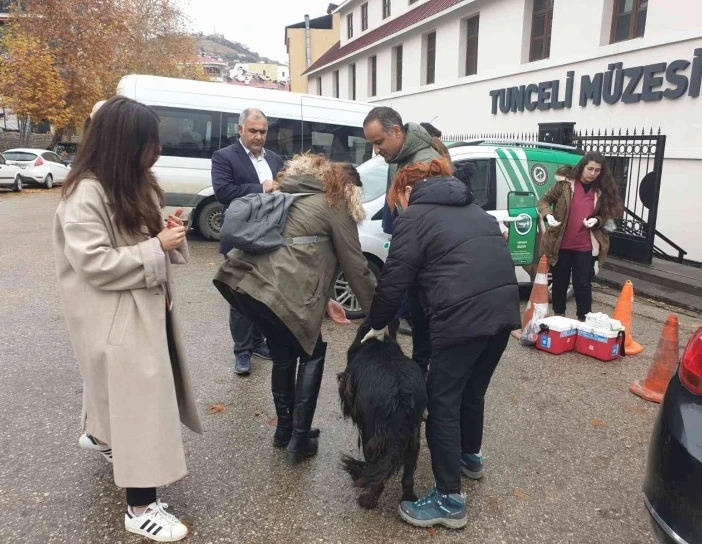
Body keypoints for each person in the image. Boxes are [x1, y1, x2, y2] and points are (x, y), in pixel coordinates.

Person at [53, 96, 202, 542]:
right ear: (123, 143)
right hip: (114, 316)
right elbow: (93, 262)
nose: (154, 149)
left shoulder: (130, 180)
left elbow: (142, 239)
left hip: (138, 308)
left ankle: (101, 436)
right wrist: (157, 246)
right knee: (141, 405)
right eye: (147, 141)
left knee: (124, 398)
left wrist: (166, 233)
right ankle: (139, 507)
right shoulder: (86, 193)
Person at [362, 159, 520, 529]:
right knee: (473, 391)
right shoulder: (475, 210)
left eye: (394, 198)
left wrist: (375, 324)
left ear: (404, 189)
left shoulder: (415, 217)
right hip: (503, 313)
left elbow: (394, 278)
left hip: (462, 319)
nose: (395, 206)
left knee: (442, 402)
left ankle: (449, 501)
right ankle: (470, 458)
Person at [213, 154, 377, 461]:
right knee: (311, 352)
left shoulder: (288, 193)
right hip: (284, 295)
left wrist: (327, 299)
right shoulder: (334, 204)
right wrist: (379, 315)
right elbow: (357, 267)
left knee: (284, 356)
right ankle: (300, 438)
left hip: (252, 288)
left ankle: (285, 431)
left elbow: (299, 255)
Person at [362, 106, 441, 373]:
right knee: (418, 325)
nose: (376, 150)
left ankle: (424, 388)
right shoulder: (398, 157)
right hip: (414, 255)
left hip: (429, 266)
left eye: (378, 142)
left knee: (426, 332)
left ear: (396, 131)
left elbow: (431, 225)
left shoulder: (425, 162)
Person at [212, 108, 283, 375]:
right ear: (240, 130)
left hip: (268, 240)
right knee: (240, 298)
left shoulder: (275, 159)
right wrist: (260, 188)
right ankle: (241, 352)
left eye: (263, 131)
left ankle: (257, 343)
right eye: (253, 131)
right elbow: (223, 192)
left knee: (263, 296)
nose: (258, 136)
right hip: (240, 240)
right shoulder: (224, 157)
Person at [538, 151, 623, 321]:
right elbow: (544, 201)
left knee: (583, 284)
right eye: (590, 169)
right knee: (560, 283)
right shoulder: (565, 184)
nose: (593, 173)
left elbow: (610, 217)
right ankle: (559, 316)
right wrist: (548, 216)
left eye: (597, 170)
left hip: (585, 246)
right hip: (561, 244)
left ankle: (584, 320)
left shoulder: (602, 190)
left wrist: (597, 221)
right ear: (582, 167)